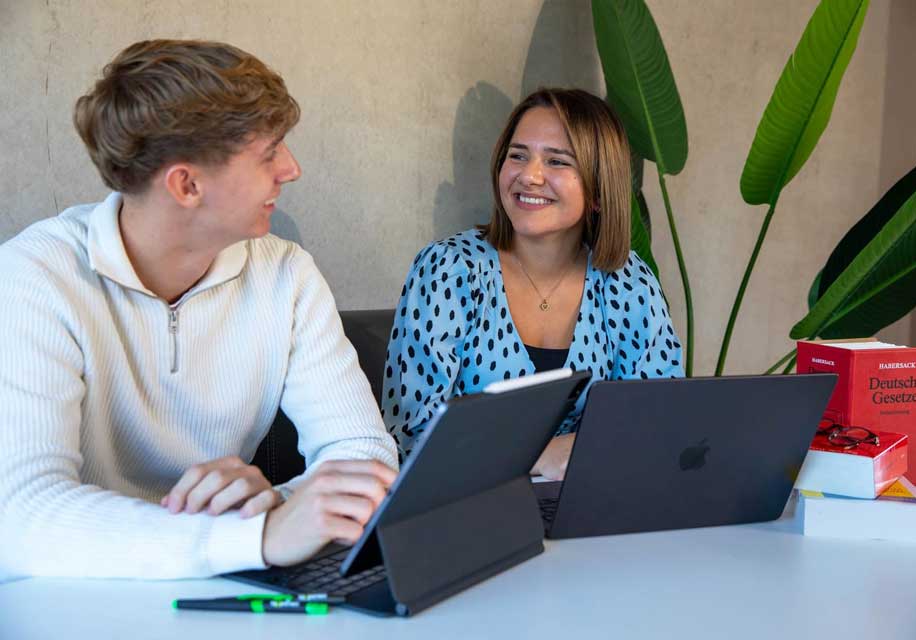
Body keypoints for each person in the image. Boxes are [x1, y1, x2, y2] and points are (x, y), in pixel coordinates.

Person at [0, 40, 398, 580]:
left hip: (223, 583)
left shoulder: (286, 274)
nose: (292, 168)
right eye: (269, 153)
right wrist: (253, 535)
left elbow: (362, 454)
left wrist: (274, 506)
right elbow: (21, 518)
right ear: (186, 184)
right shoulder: (33, 278)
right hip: (69, 598)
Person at [382, 88, 684, 477]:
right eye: (518, 155)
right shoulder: (448, 270)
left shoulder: (629, 283)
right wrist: (541, 455)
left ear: (598, 190)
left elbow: (654, 423)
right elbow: (412, 435)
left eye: (557, 161)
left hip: (594, 510)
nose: (529, 175)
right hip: (463, 512)